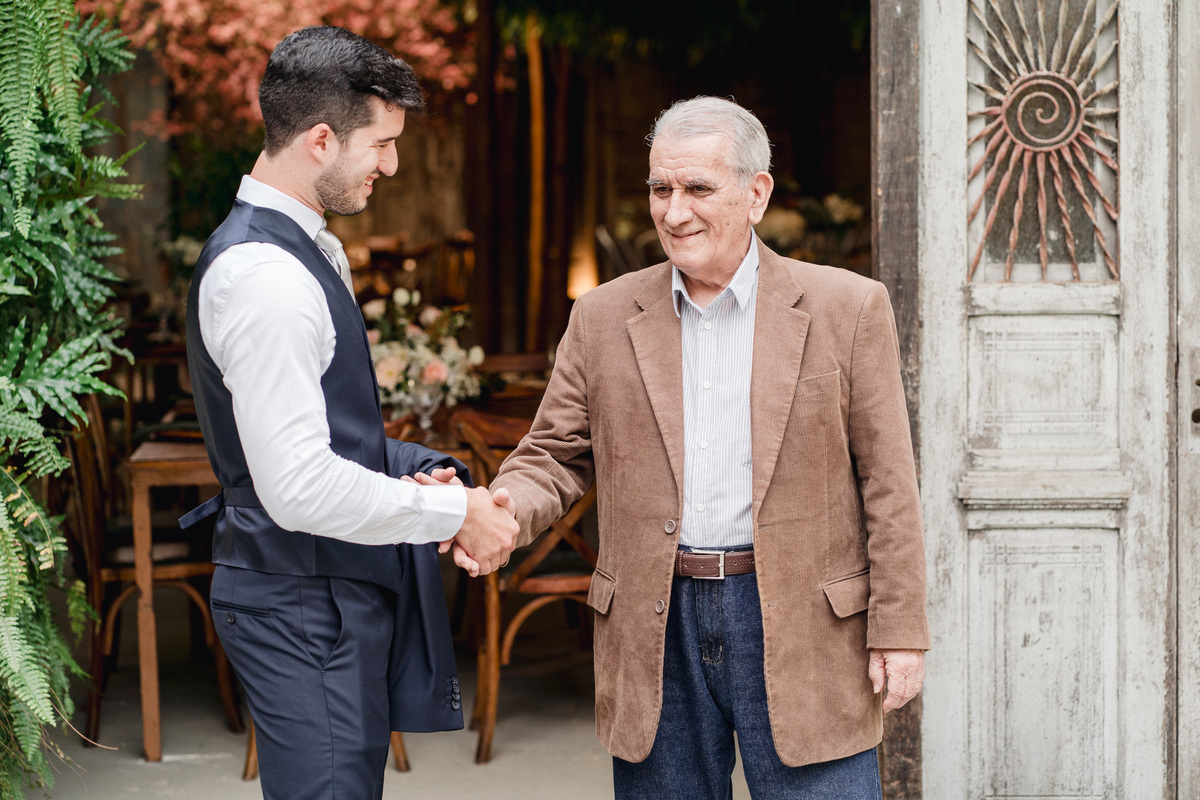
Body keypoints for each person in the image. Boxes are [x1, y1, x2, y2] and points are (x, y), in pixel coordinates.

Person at [488, 96, 929, 799]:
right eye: (660, 188)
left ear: (756, 194)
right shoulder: (602, 316)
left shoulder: (847, 308)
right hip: (654, 622)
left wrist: (900, 629)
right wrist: (504, 508)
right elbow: (553, 455)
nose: (673, 210)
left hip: (802, 621)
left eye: (697, 188)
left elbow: (888, 482)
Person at [179, 27, 517, 800]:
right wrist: (453, 514)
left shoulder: (307, 247)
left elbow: (325, 434)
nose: (392, 165)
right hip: (301, 602)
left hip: (321, 593)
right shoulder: (267, 277)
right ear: (322, 139)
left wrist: (416, 472)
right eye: (383, 144)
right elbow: (296, 487)